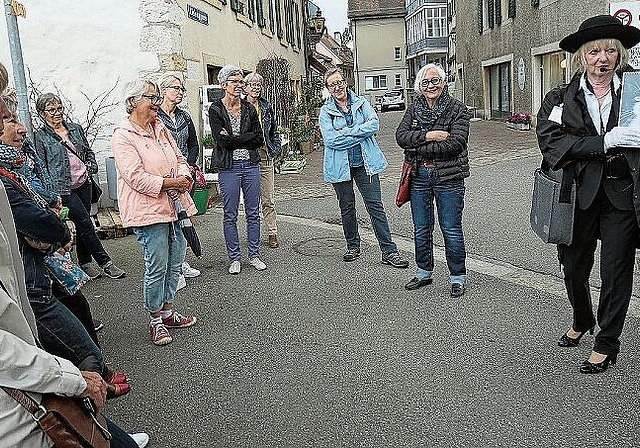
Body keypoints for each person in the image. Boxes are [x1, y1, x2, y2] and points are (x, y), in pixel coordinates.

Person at [0, 62, 148, 448]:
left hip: (37, 288)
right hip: (32, 302)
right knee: (86, 357)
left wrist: (50, 224)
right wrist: (68, 379)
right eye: (5, 115)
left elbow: (38, 208)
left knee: (82, 325)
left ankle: (98, 426)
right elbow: (33, 218)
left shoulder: (16, 164)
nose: (17, 125)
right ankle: (95, 425)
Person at [536, 15, 640, 374]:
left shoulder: (635, 93)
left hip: (622, 195)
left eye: (611, 51)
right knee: (573, 268)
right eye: (594, 51)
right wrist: (604, 142)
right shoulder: (560, 98)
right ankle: (583, 317)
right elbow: (553, 143)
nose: (603, 58)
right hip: (577, 195)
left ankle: (607, 343)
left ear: (620, 56)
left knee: (616, 272)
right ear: (582, 57)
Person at [1, 97, 104, 346]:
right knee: (83, 226)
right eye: (9, 120)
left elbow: (42, 173)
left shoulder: (23, 154)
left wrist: (55, 200)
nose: (21, 129)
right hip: (35, 253)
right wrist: (57, 224)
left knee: (75, 299)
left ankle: (94, 364)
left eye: (60, 107)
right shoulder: (14, 165)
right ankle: (91, 366)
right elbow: (33, 216)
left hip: (68, 193)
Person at [111, 79, 197, 346]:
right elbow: (136, 177)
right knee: (157, 266)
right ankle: (155, 320)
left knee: (175, 264)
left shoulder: (160, 127)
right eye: (152, 98)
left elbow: (180, 159)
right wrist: (172, 183)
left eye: (159, 98)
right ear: (133, 101)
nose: (157, 104)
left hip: (176, 205)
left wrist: (183, 176)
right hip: (148, 211)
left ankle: (168, 312)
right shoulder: (123, 135)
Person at [318, 67, 409, 268]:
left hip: (365, 164)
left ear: (346, 82)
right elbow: (331, 140)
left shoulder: (361, 103)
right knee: (347, 207)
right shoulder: (326, 112)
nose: (337, 87)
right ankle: (352, 245)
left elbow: (374, 125)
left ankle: (389, 251)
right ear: (328, 89)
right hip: (340, 167)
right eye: (332, 84)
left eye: (339, 82)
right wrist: (359, 133)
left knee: (375, 206)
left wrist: (347, 132)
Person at [395, 63, 471, 297]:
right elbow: (400, 137)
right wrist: (429, 136)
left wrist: (417, 146)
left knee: (450, 228)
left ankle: (457, 276)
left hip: (449, 177)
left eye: (435, 80)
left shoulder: (457, 109)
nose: (431, 86)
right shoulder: (414, 108)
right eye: (426, 82)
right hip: (419, 176)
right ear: (420, 86)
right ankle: (423, 272)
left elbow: (455, 144)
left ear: (444, 82)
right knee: (421, 228)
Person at [34, 92, 125, 280]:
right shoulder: (40, 137)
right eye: (51, 110)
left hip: (84, 183)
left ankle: (85, 263)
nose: (57, 113)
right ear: (42, 114)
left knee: (83, 224)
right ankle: (105, 262)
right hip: (63, 189)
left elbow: (88, 152)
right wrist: (49, 195)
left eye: (59, 108)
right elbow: (41, 166)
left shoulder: (75, 129)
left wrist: (91, 166)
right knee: (86, 223)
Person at [209, 65, 266, 274]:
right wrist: (243, 139)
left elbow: (258, 137)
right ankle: (234, 258)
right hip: (229, 168)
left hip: (251, 165)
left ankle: (254, 255)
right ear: (224, 84)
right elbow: (221, 142)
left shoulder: (249, 108)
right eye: (235, 81)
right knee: (230, 214)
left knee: (253, 212)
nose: (240, 85)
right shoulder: (215, 109)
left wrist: (234, 139)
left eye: (241, 82)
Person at [158, 74, 202, 284]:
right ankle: (171, 268)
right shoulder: (155, 117)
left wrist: (190, 166)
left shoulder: (184, 117)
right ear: (164, 90)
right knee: (170, 221)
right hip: (165, 178)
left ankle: (181, 262)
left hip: (185, 176)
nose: (180, 92)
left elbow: (194, 144)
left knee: (186, 219)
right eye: (176, 88)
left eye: (182, 89)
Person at [243, 72, 283, 249]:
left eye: (258, 85)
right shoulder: (240, 107)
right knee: (251, 200)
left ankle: (272, 232)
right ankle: (253, 235)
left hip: (265, 155)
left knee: (268, 198)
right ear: (245, 87)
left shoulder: (266, 106)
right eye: (252, 84)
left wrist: (275, 148)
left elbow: (273, 130)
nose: (255, 88)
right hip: (248, 157)